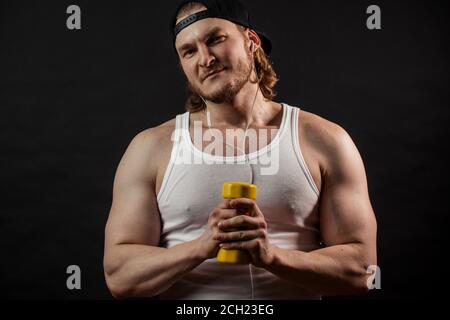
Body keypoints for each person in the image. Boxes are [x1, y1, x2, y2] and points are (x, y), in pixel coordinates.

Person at [103, 0, 377, 299]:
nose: (205, 59)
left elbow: (362, 272)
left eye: (215, 39)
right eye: (189, 51)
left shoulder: (325, 139)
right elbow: (120, 277)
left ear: (251, 41)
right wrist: (201, 246)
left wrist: (271, 257)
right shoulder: (150, 148)